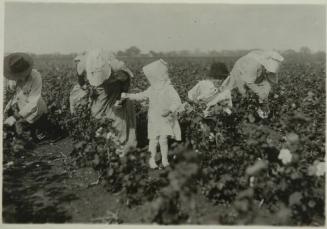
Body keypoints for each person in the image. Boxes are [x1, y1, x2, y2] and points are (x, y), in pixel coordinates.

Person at [121, 59, 182, 169]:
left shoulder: (169, 88)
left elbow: (177, 101)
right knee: (153, 139)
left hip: (164, 118)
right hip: (154, 118)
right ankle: (152, 160)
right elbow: (141, 95)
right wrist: (128, 95)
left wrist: (169, 110)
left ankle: (164, 160)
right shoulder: (152, 89)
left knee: (163, 139)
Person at [83, 49, 137, 154]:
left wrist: (121, 99)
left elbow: (127, 82)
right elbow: (86, 79)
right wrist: (90, 90)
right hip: (102, 89)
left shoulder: (118, 67)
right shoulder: (89, 64)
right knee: (96, 113)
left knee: (118, 117)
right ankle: (102, 143)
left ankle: (122, 147)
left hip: (118, 89)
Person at [220, 49, 284, 118]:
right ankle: (225, 106)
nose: (269, 72)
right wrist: (260, 94)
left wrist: (265, 100)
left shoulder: (270, 65)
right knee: (235, 88)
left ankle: (261, 109)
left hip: (256, 71)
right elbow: (250, 83)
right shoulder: (253, 65)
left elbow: (270, 81)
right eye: (268, 71)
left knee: (263, 90)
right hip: (241, 69)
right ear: (266, 66)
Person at [3, 52, 48, 141]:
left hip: (35, 109)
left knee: (26, 139)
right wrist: (4, 111)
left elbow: (33, 102)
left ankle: (38, 127)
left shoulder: (35, 76)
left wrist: (15, 117)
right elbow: (4, 94)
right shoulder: (10, 76)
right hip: (19, 106)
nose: (21, 78)